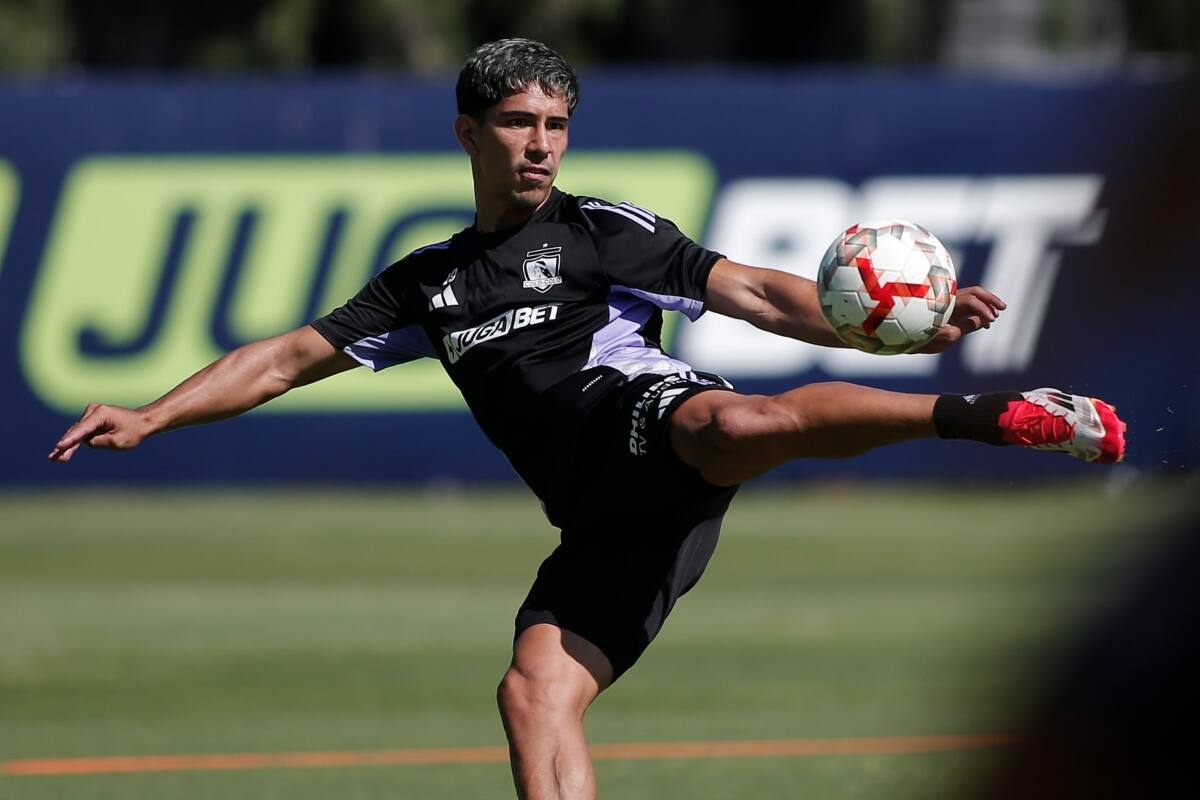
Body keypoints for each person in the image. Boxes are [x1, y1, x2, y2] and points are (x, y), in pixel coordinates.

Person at [48, 38, 1126, 800]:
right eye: (519, 123)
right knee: (532, 692)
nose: (541, 145)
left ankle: (989, 415)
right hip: (610, 523)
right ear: (470, 129)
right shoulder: (426, 282)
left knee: (730, 427)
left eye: (557, 124)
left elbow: (753, 291)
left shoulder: (602, 228)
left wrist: (881, 332)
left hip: (647, 417)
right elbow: (282, 359)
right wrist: (152, 414)